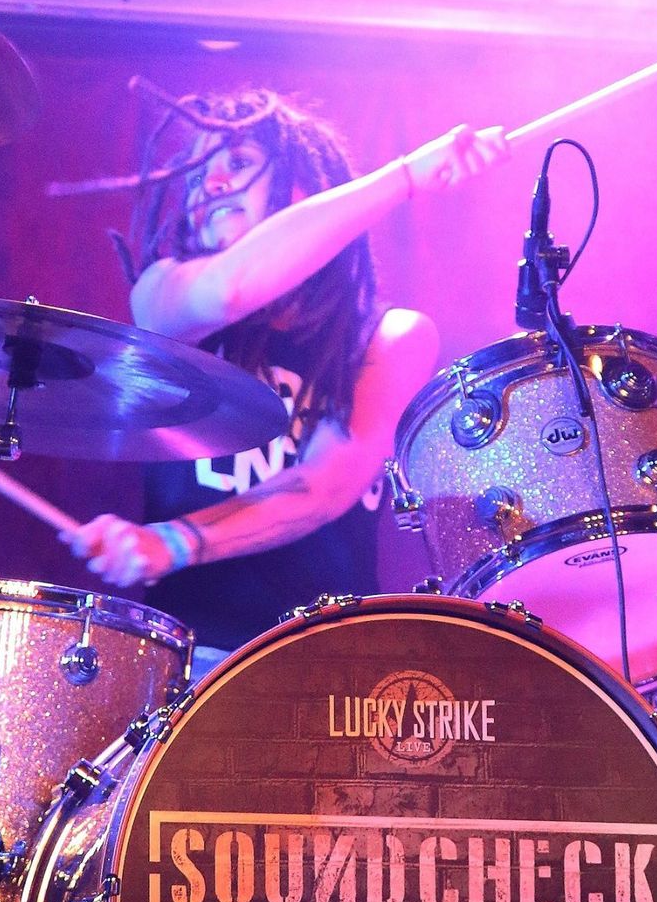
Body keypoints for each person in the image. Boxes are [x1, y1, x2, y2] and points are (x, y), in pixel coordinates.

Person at [63, 86, 509, 665]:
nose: (210, 183)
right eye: (196, 177)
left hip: (332, 661)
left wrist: (176, 540)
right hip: (191, 660)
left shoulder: (391, 335)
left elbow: (324, 486)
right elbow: (229, 290)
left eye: (238, 164)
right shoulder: (162, 290)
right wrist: (405, 177)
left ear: (304, 190)